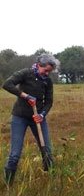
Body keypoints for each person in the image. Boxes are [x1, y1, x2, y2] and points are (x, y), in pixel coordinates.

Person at [2, 53, 58, 185]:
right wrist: (25, 96)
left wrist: (42, 114)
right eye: (46, 71)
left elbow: (49, 101)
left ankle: (51, 181)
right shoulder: (26, 73)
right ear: (39, 65)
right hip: (20, 117)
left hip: (38, 118)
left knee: (47, 151)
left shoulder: (47, 81)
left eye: (49, 72)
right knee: (15, 154)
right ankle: (8, 185)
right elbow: (7, 84)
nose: (47, 74)